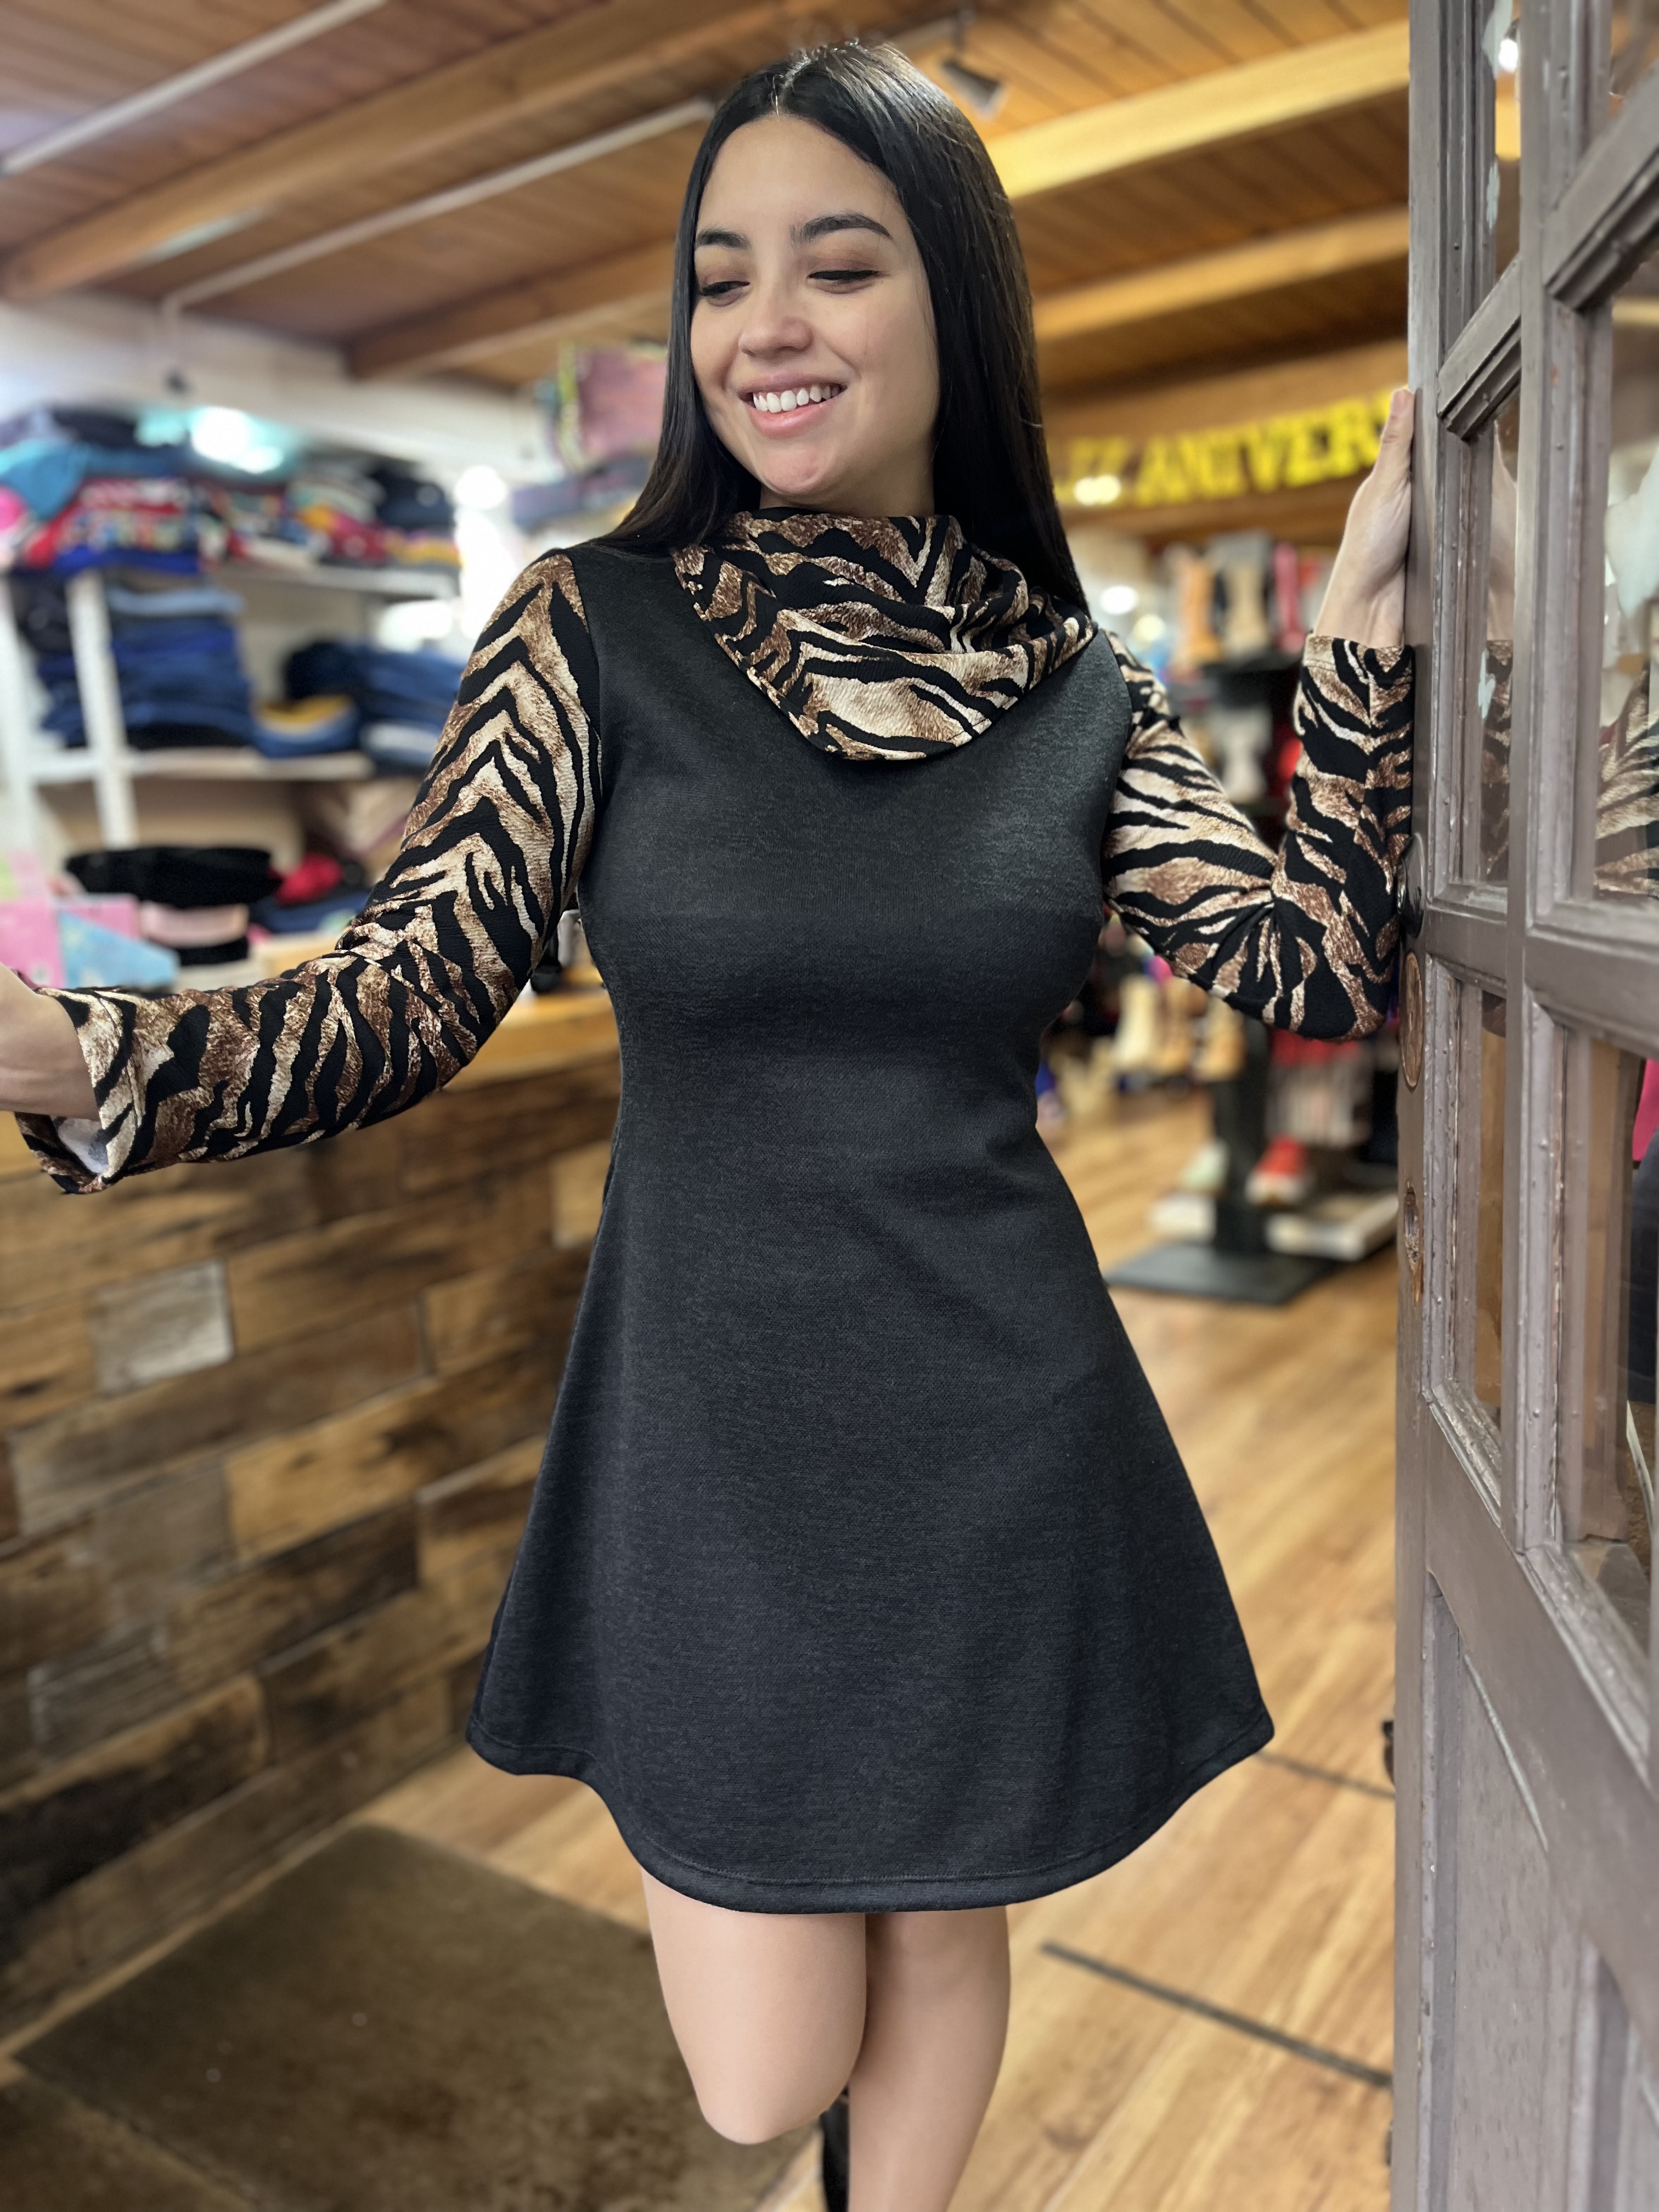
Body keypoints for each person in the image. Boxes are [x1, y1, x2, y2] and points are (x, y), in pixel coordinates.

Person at [0, 44, 1414, 2212]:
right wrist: (79, 1059)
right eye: (721, 274)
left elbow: (1312, 966)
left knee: (944, 1904)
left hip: (998, 1414)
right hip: (710, 1433)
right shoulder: (593, 631)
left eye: (838, 264)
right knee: (763, 2072)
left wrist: (1374, 624)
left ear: (954, 301)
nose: (766, 323)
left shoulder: (1083, 686)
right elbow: (405, 998)